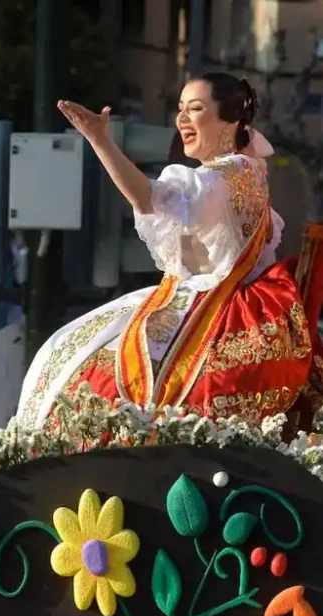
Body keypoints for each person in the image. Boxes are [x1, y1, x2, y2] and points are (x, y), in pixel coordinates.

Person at [18, 73, 323, 428]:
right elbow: (202, 260)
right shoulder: (248, 171)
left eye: (195, 109)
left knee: (84, 366)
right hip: (230, 301)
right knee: (71, 350)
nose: (181, 119)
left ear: (230, 121)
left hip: (217, 311)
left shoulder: (218, 178)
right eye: (180, 109)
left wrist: (100, 141)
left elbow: (148, 199)